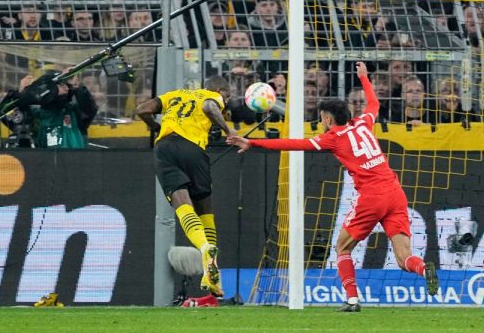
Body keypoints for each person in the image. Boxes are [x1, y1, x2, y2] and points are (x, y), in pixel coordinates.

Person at [227, 62, 439, 312]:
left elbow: (295, 144)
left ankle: (352, 300)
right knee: (404, 257)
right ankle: (424, 269)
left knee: (342, 247)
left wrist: (253, 143)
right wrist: (364, 78)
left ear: (328, 119)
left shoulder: (333, 138)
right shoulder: (363, 124)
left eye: (322, 118)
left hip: (372, 196)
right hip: (395, 192)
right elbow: (374, 105)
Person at [135, 76, 236, 303]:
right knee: (205, 209)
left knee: (182, 204)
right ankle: (212, 267)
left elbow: (142, 109)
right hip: (194, 149)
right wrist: (229, 130)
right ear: (220, 90)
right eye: (227, 97)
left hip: (165, 148)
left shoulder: (175, 94)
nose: (226, 102)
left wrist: (158, 127)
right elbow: (210, 106)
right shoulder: (212, 96)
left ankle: (207, 257)